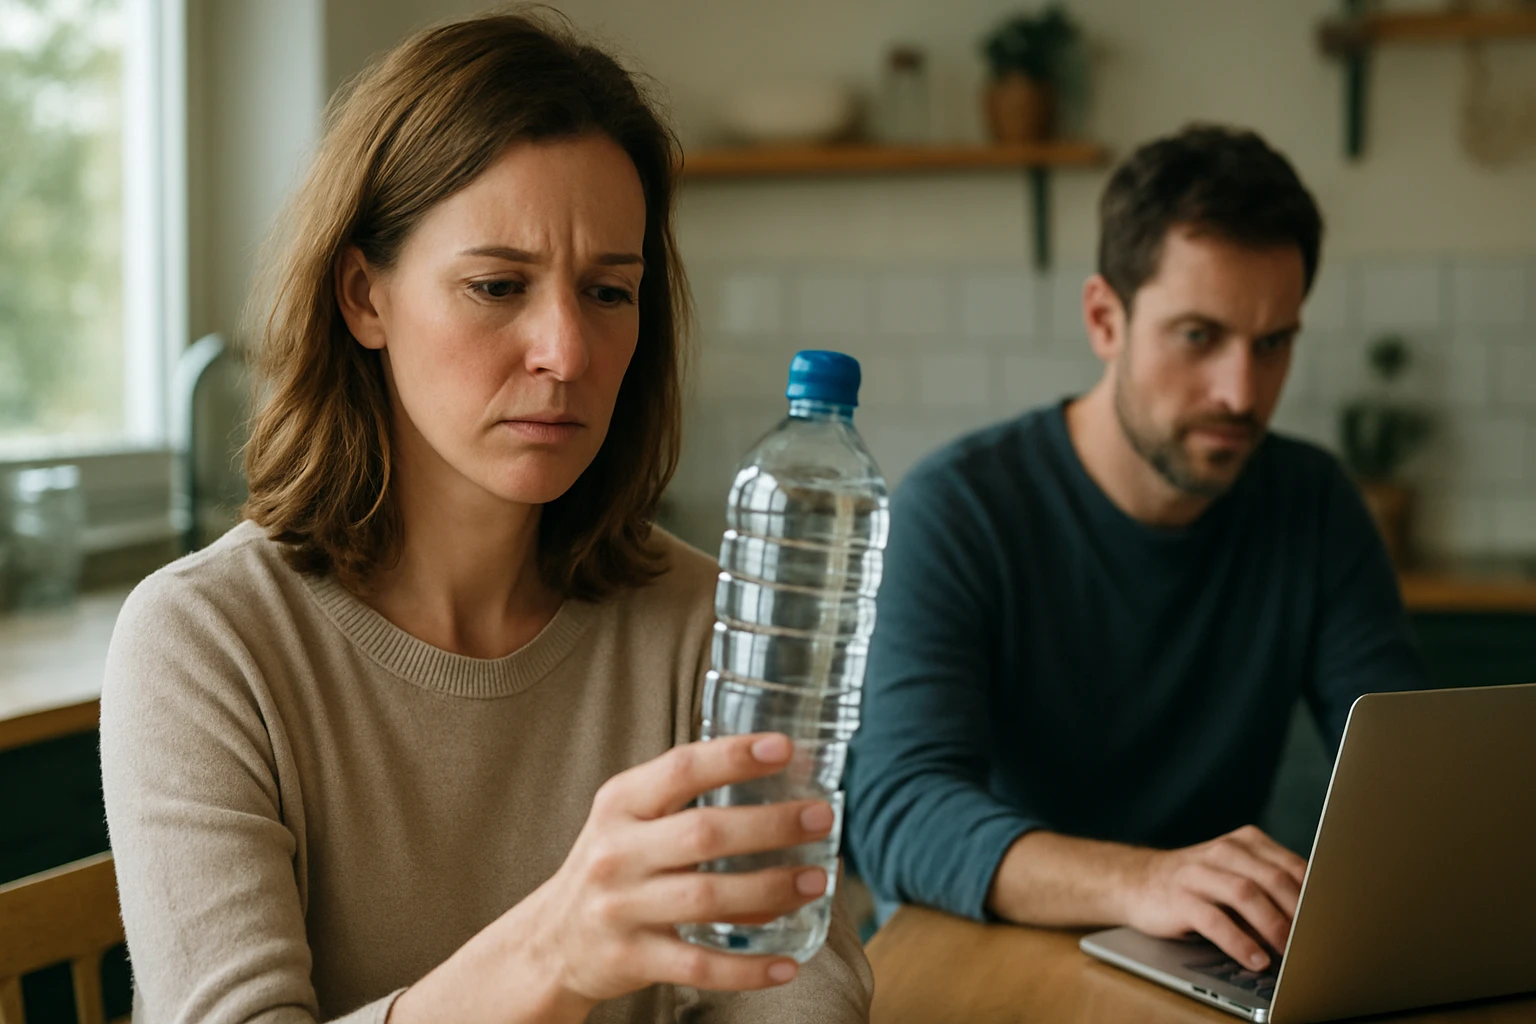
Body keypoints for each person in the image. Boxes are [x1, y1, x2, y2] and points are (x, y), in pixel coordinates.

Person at [100, 13, 871, 1024]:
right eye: (498, 285)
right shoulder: (204, 644)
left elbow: (799, 985)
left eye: (608, 291)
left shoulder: (705, 623)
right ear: (363, 296)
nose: (568, 348)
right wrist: (555, 947)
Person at [844, 124, 1427, 973]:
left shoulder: (1315, 504)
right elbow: (899, 813)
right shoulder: (959, 508)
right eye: (1199, 336)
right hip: (986, 957)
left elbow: (1403, 780)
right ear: (1104, 319)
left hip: (1202, 964)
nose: (1241, 391)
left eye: (1273, 344)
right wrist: (1144, 881)